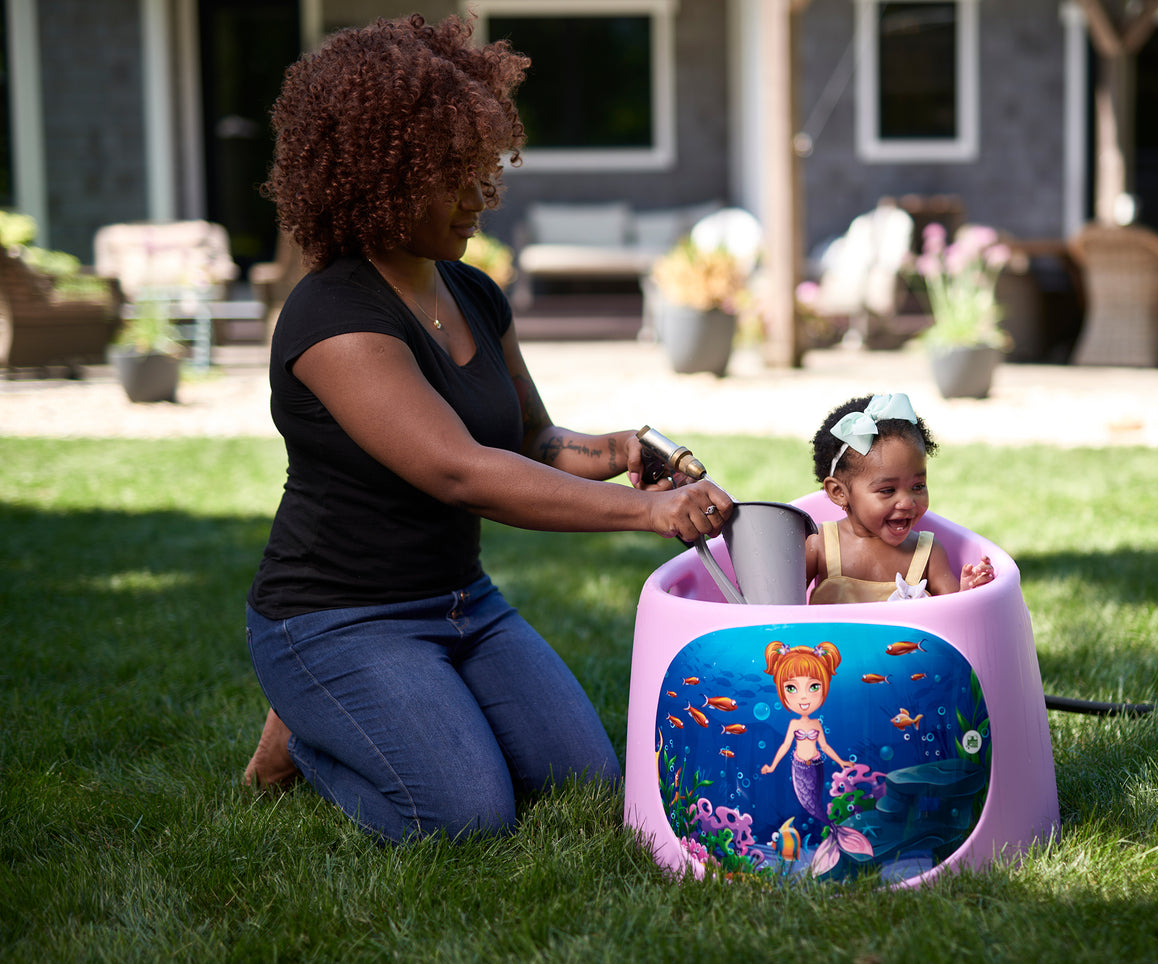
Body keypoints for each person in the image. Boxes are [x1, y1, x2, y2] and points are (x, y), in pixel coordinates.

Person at [239, 13, 731, 843]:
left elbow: (529, 439)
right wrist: (645, 514)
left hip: (466, 605)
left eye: (478, 168)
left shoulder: (472, 293)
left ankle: (380, 706)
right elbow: (461, 471)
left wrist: (618, 451)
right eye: (449, 176)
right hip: (338, 615)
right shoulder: (333, 319)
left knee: (583, 782)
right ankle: (303, 729)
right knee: (464, 816)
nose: (478, 195)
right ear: (377, 178)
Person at [804, 393, 993, 604]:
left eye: (918, 486)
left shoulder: (928, 552)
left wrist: (969, 592)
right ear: (839, 492)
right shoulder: (819, 544)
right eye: (887, 490)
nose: (907, 502)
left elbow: (952, 614)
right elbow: (775, 604)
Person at [757, 640, 872, 873]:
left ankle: (836, 839)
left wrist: (841, 762)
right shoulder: (792, 724)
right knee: (808, 806)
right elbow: (784, 746)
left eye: (813, 687)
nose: (803, 697)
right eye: (792, 688)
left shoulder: (816, 724)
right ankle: (831, 839)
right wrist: (771, 765)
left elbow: (826, 746)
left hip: (816, 766)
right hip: (799, 767)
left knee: (817, 804)